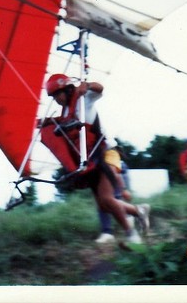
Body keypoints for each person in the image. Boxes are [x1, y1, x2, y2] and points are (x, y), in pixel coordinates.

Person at [41, 73, 150, 246]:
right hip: (91, 159)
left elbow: (100, 89)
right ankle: (138, 210)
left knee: (107, 199)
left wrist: (88, 85)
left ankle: (131, 235)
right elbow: (63, 122)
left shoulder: (82, 100)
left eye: (57, 95)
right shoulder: (67, 110)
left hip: (106, 153)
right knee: (103, 204)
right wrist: (47, 121)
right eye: (53, 97)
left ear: (67, 89)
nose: (56, 100)